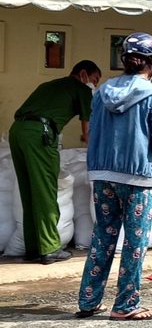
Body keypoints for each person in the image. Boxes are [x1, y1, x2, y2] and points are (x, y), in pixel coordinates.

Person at [76, 33, 152, 321]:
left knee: (103, 237)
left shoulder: (102, 91)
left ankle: (89, 300)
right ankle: (125, 305)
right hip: (138, 178)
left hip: (103, 176)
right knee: (135, 242)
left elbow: (92, 131)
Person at [10, 60, 101, 265]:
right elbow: (87, 132)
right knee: (46, 189)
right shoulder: (81, 90)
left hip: (17, 132)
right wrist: (98, 157)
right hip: (40, 135)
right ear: (83, 74)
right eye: (94, 80)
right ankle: (50, 248)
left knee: (29, 190)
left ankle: (33, 247)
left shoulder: (48, 85)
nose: (94, 85)